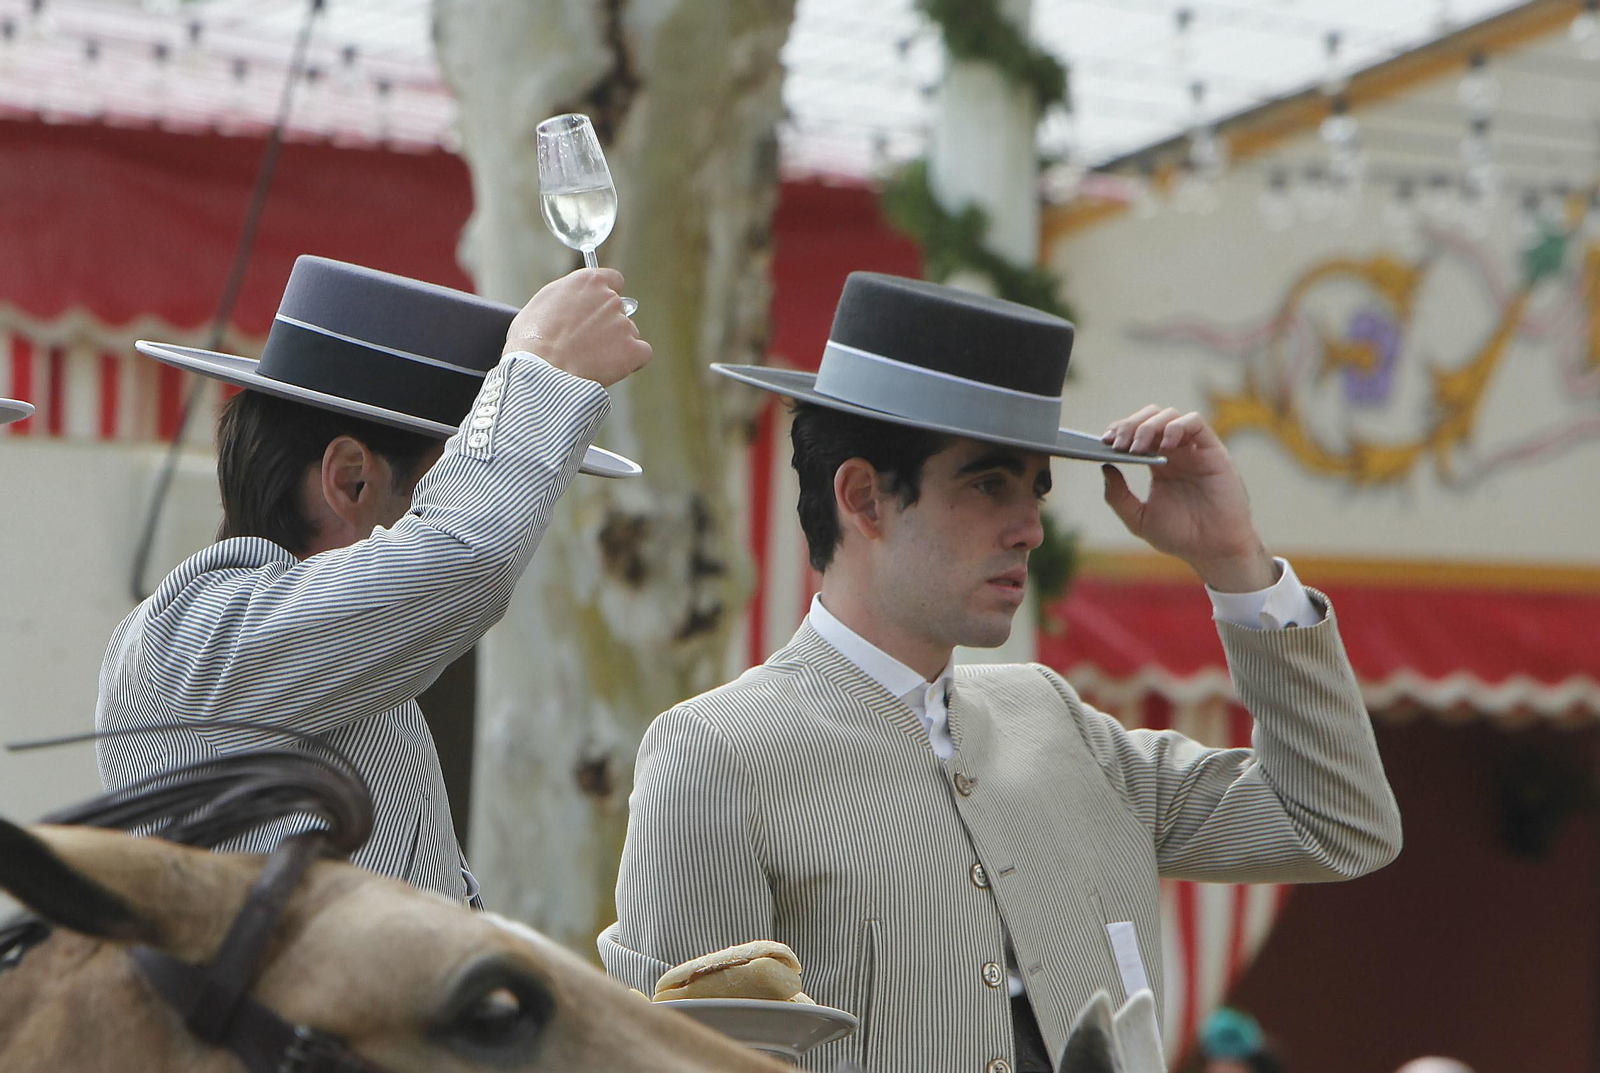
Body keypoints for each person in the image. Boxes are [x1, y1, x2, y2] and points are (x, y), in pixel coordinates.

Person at [600, 273, 1401, 1073]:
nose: (1029, 529)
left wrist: (1236, 562)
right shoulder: (716, 752)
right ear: (864, 497)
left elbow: (1336, 821)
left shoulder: (1054, 717)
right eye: (989, 484)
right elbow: (670, 1064)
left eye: (1036, 490)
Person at [96, 257, 650, 905]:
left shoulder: (333, 665)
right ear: (351, 478)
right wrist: (543, 364)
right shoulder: (192, 641)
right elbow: (465, 556)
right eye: (451, 482)